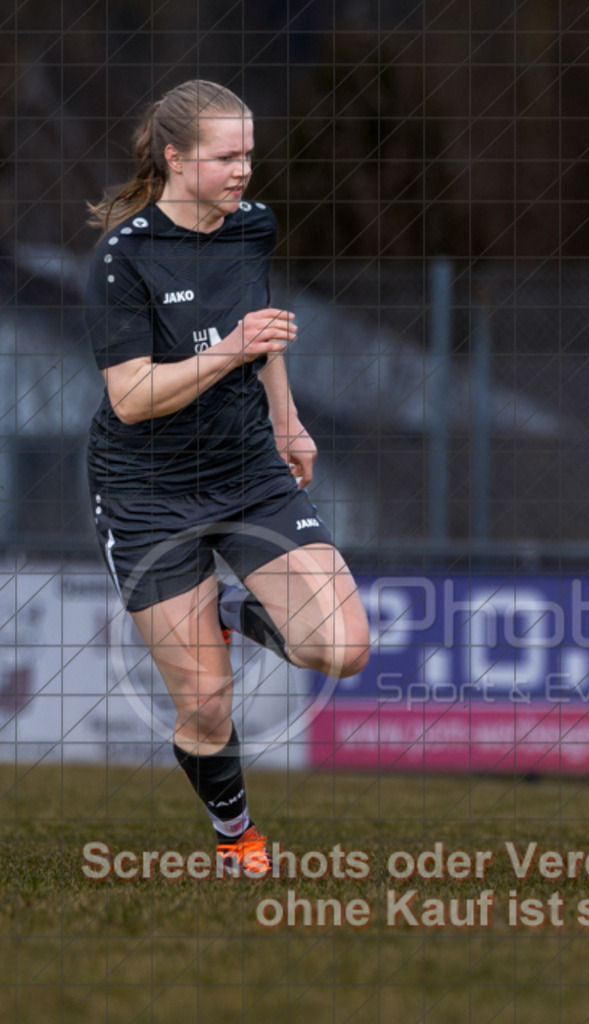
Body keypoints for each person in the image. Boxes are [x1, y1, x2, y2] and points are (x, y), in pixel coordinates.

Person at [84, 80, 370, 877]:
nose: (244, 170)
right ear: (175, 159)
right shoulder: (123, 259)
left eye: (248, 153)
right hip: (147, 490)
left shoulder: (251, 227)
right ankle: (237, 834)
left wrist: (287, 421)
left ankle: (236, 611)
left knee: (343, 647)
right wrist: (229, 350)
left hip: (246, 469)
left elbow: (263, 330)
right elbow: (132, 397)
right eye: (226, 157)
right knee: (206, 708)